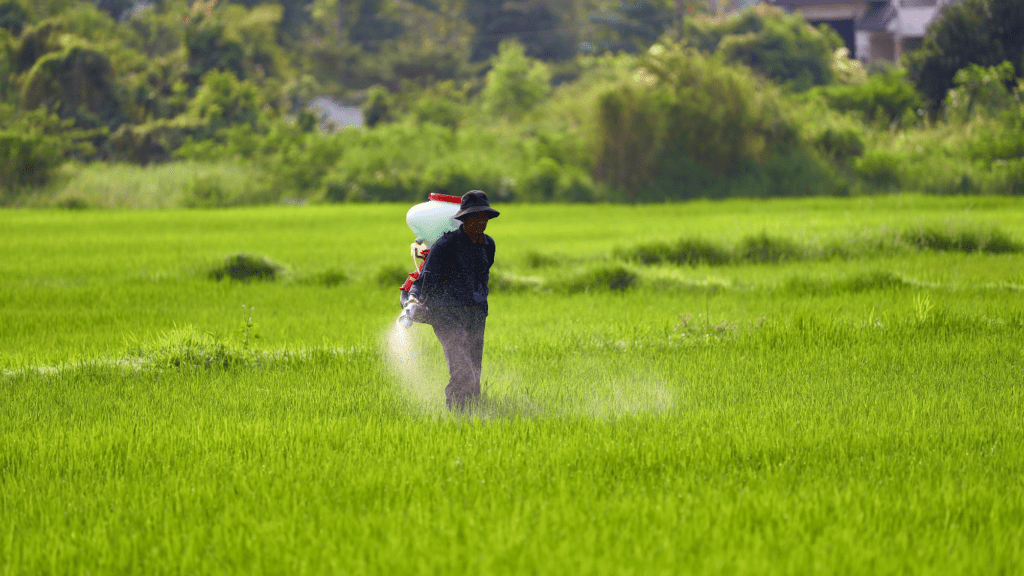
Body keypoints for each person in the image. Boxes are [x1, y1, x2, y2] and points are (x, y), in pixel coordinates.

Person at [408, 191, 499, 411]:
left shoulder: (488, 245)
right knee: (462, 367)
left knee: (474, 370)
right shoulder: (446, 245)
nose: (482, 221)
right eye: (476, 216)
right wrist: (413, 300)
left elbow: (482, 279)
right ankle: (457, 415)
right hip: (445, 313)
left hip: (475, 313)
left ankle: (473, 413)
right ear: (465, 219)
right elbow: (424, 279)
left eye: (484, 216)